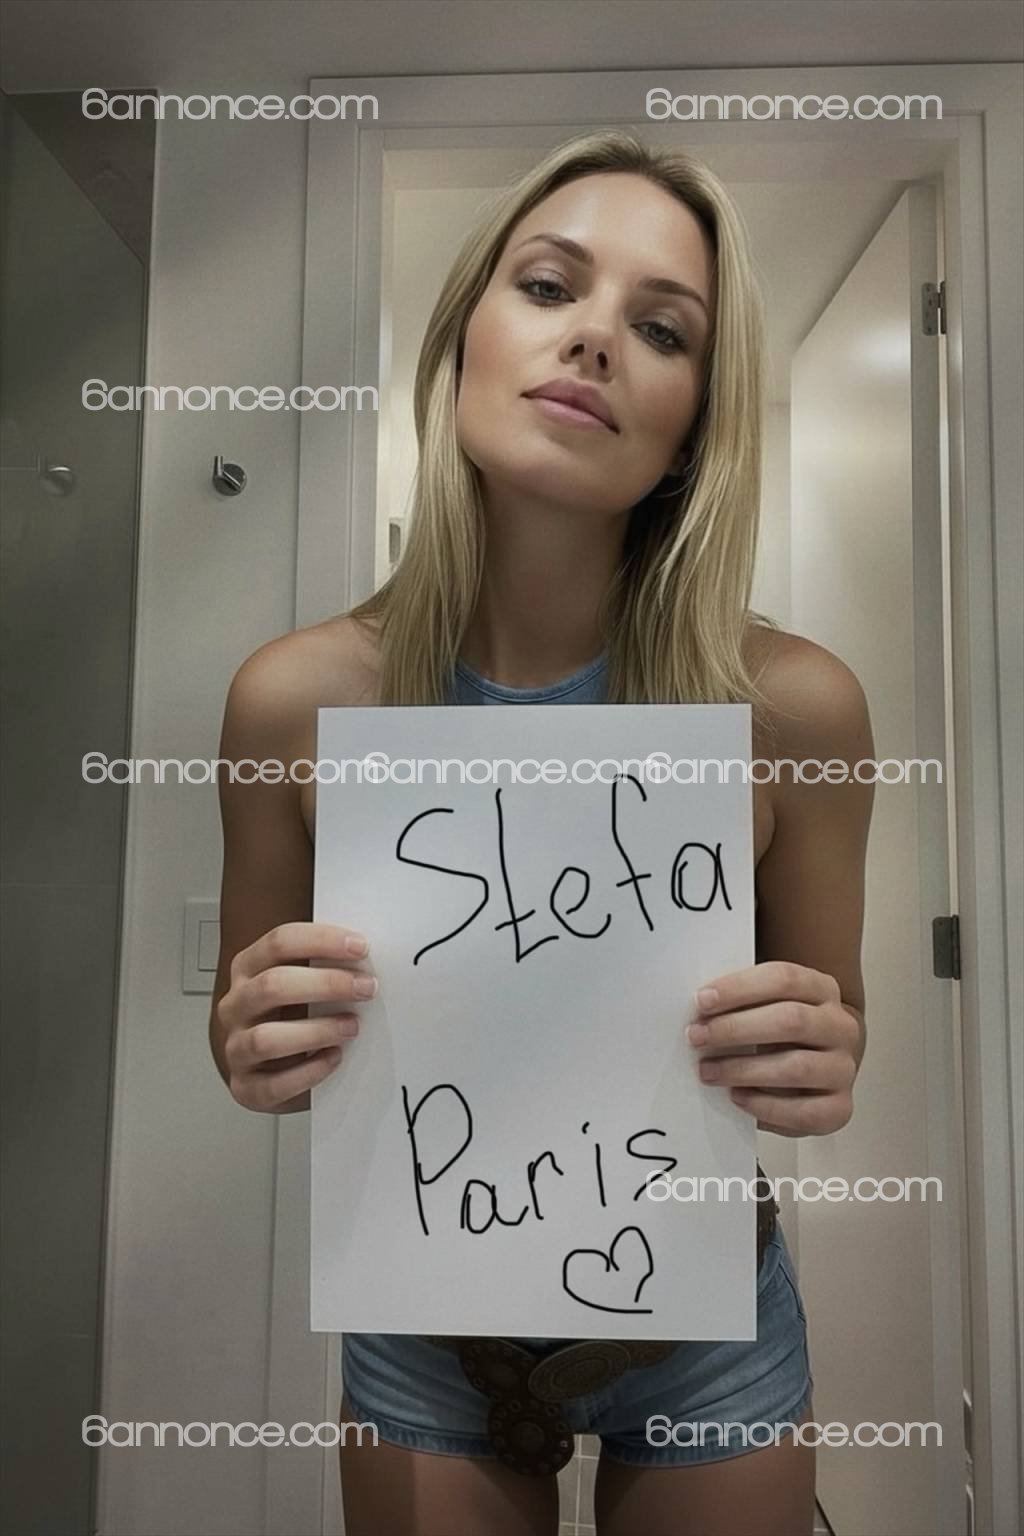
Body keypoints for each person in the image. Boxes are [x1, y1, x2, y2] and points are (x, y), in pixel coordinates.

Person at [209, 131, 873, 1536]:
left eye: (662, 329)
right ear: (464, 333)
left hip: (703, 1315)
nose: (594, 341)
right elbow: (253, 1053)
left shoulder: (794, 708)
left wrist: (816, 1054)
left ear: (698, 419)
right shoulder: (294, 699)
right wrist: (259, 1039)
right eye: (550, 285)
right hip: (425, 1320)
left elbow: (831, 1043)